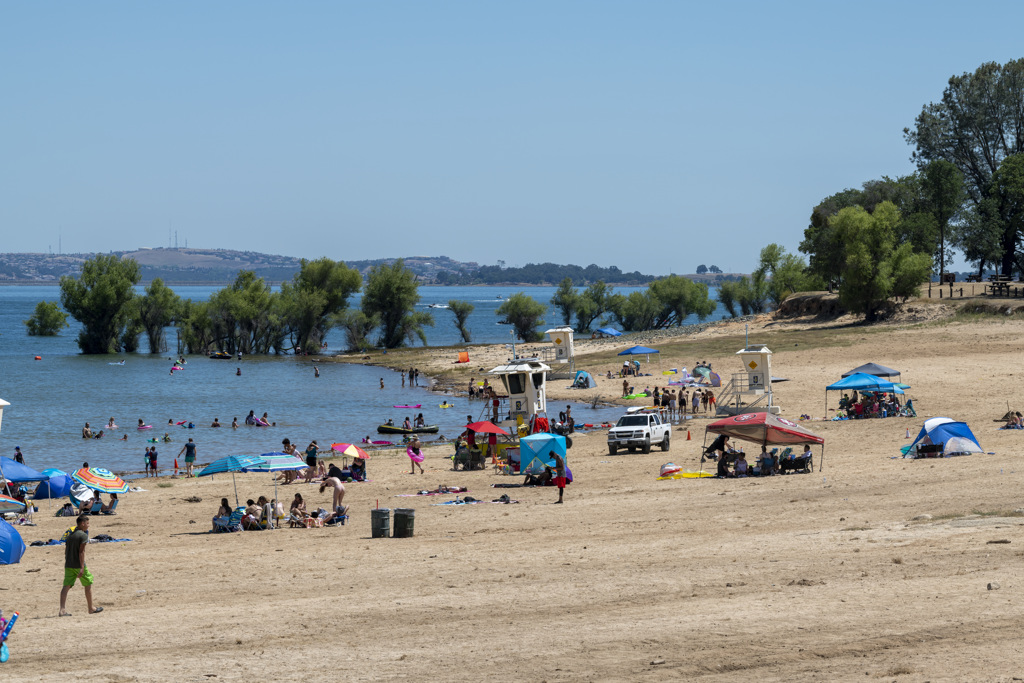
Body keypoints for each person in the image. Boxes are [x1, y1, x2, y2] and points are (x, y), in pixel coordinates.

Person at [59, 514, 103, 616]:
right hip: (78, 565)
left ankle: (62, 610)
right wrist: (82, 567)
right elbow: (81, 552)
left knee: (66, 586)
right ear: (82, 524)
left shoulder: (70, 535)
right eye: (87, 523)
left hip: (69, 564)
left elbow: (66, 551)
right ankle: (91, 608)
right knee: (88, 583)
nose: (88, 526)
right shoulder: (83, 535)